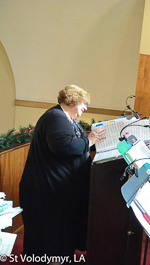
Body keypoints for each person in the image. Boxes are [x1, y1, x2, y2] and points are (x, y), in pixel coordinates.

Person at [19, 85, 106, 261]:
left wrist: (95, 142)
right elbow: (63, 147)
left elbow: (78, 142)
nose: (86, 108)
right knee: (52, 235)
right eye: (84, 103)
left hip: (56, 187)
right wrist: (89, 141)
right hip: (47, 189)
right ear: (72, 101)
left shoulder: (66, 118)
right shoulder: (55, 117)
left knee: (61, 232)